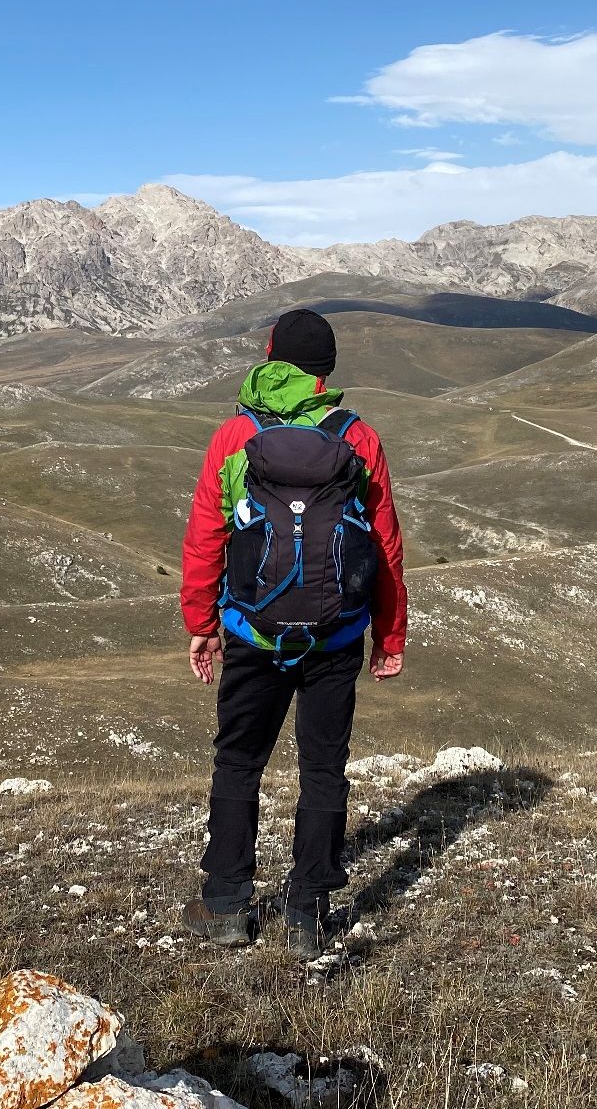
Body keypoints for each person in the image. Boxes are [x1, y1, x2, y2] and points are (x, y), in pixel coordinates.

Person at [177, 308, 408, 957]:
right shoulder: (358, 438)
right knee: (324, 769)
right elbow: (383, 547)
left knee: (239, 761)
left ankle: (225, 904)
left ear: (271, 358)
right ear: (324, 371)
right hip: (336, 638)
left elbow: (206, 536)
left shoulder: (234, 435)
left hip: (252, 630)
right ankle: (307, 914)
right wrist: (389, 636)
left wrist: (202, 624)